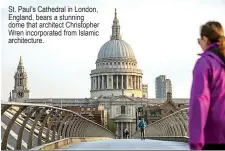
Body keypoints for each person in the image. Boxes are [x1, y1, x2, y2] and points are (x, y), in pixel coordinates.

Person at [189, 21, 225, 150]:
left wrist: (196, 142)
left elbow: (200, 101)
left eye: (199, 41)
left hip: (214, 136)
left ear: (205, 39)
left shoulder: (205, 63)